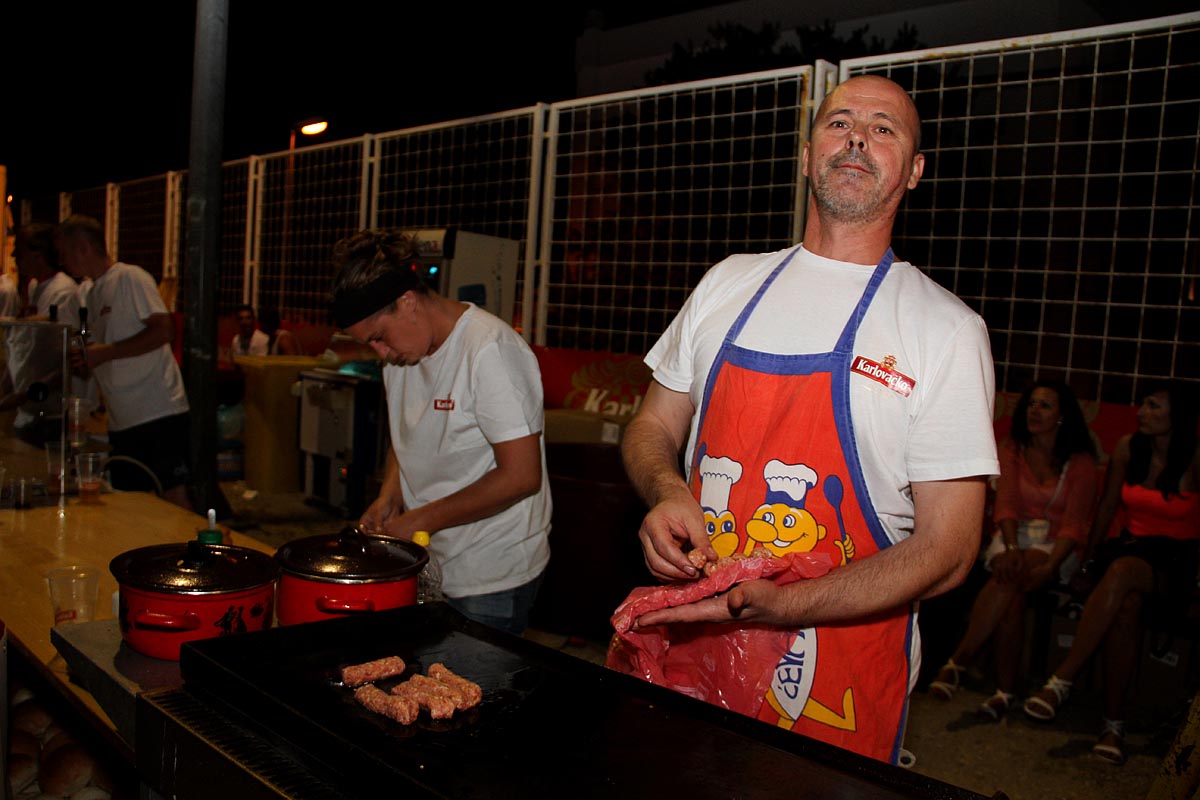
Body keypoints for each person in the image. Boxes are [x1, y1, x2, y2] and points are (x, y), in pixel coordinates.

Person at [617, 75, 999, 763]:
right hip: (693, 651)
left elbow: (949, 550)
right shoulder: (726, 283)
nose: (857, 137)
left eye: (884, 128)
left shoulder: (945, 329)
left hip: (840, 681)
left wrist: (784, 606)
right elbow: (651, 427)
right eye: (840, 122)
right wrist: (667, 492)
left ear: (913, 172)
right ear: (805, 154)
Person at [330, 229, 551, 635]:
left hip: (491, 573)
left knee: (473, 691)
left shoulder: (489, 351)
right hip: (429, 559)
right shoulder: (401, 355)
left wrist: (417, 521)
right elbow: (409, 432)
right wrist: (389, 497)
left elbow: (521, 477)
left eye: (378, 337)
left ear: (408, 301)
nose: (381, 353)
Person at [1023, 381, 1200, 765]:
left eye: (1153, 406)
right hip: (1130, 548)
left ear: (1178, 416)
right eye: (1143, 404)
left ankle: (1061, 680)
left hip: (1177, 562)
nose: (1142, 412)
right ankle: (1113, 727)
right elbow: (1105, 509)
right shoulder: (1127, 447)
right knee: (1126, 607)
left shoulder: (1195, 457)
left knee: (1122, 573)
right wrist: (1088, 562)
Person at [929, 380, 1097, 718]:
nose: (1035, 411)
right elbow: (1005, 506)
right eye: (1031, 403)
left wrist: (1049, 567)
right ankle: (1005, 691)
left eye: (1045, 405)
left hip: (1058, 546)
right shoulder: (1012, 449)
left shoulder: (1080, 463)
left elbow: (1074, 526)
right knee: (1013, 583)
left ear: (1063, 416)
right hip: (1010, 536)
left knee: (1015, 574)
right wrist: (1009, 546)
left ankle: (960, 660)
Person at [55, 215, 193, 511]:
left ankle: (192, 554)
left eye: (64, 253)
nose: (63, 262)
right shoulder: (91, 292)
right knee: (133, 505)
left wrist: (104, 353)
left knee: (175, 500)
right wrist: (87, 360)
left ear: (82, 248)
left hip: (157, 411)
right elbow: (104, 350)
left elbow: (164, 329)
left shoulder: (130, 277)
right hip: (122, 418)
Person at [0, 223, 83, 444]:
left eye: (20, 249)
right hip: (30, 409)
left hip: (51, 413)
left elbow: (66, 360)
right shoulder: (36, 288)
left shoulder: (63, 292)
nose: (15, 256)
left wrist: (23, 395)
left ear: (37, 254)